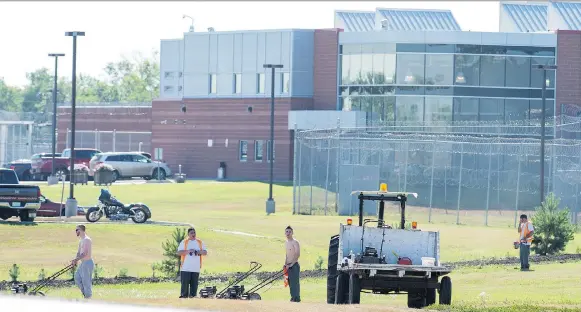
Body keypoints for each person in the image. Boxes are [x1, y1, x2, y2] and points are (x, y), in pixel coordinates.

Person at [176, 227, 207, 298]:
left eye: (194, 232)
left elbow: (205, 252)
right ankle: (183, 300)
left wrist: (198, 252)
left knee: (194, 288)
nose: (193, 234)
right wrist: (188, 251)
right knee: (184, 289)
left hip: (196, 268)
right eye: (191, 233)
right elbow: (178, 252)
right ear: (188, 234)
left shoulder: (199, 242)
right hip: (185, 268)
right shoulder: (184, 242)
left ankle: (193, 301)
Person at [71, 225, 94, 299]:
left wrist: (76, 259)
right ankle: (86, 295)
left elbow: (85, 253)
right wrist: (75, 261)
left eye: (76, 230)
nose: (76, 232)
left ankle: (88, 297)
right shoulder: (81, 240)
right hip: (83, 263)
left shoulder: (87, 240)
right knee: (77, 278)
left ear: (81, 230)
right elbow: (79, 252)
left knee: (86, 281)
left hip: (87, 262)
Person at [283, 225, 301, 302]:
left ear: (292, 232)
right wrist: (285, 264)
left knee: (295, 283)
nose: (288, 233)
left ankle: (297, 298)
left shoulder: (295, 242)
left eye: (289, 232)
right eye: (286, 231)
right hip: (288, 266)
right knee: (289, 282)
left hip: (294, 265)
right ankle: (292, 297)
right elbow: (287, 255)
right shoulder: (286, 242)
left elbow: (297, 254)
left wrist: (291, 264)